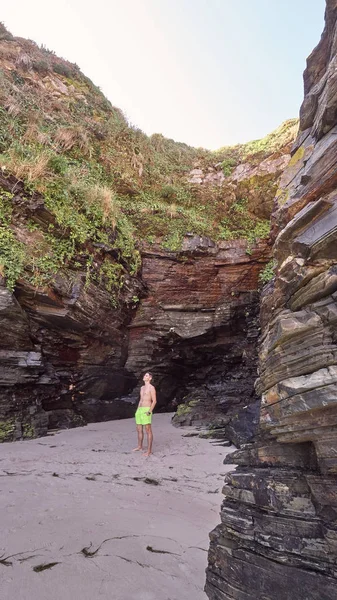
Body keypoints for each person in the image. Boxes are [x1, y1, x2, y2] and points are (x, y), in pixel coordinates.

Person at [133, 372, 157, 457]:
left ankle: (149, 451)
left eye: (146, 375)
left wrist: (150, 411)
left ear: (150, 378)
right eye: (144, 375)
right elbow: (141, 400)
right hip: (140, 410)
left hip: (147, 409)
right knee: (139, 429)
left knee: (148, 430)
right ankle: (140, 446)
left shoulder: (151, 388)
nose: (144, 376)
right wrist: (137, 410)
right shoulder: (142, 388)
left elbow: (154, 401)